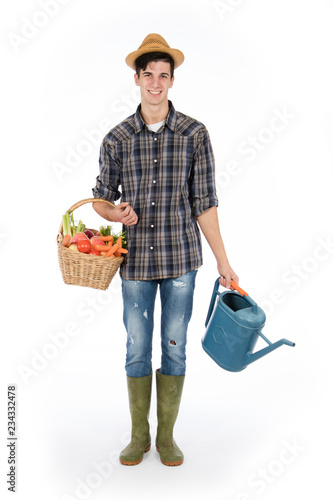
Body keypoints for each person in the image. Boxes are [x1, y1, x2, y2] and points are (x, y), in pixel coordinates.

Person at [92, 33, 239, 467]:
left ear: (172, 81)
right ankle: (139, 437)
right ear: (136, 79)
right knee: (137, 347)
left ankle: (167, 438)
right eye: (148, 75)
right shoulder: (117, 138)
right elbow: (101, 198)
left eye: (163, 75)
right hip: (134, 263)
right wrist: (115, 214)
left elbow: (205, 202)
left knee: (174, 346)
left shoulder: (194, 134)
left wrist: (224, 262)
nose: (155, 83)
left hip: (180, 263)